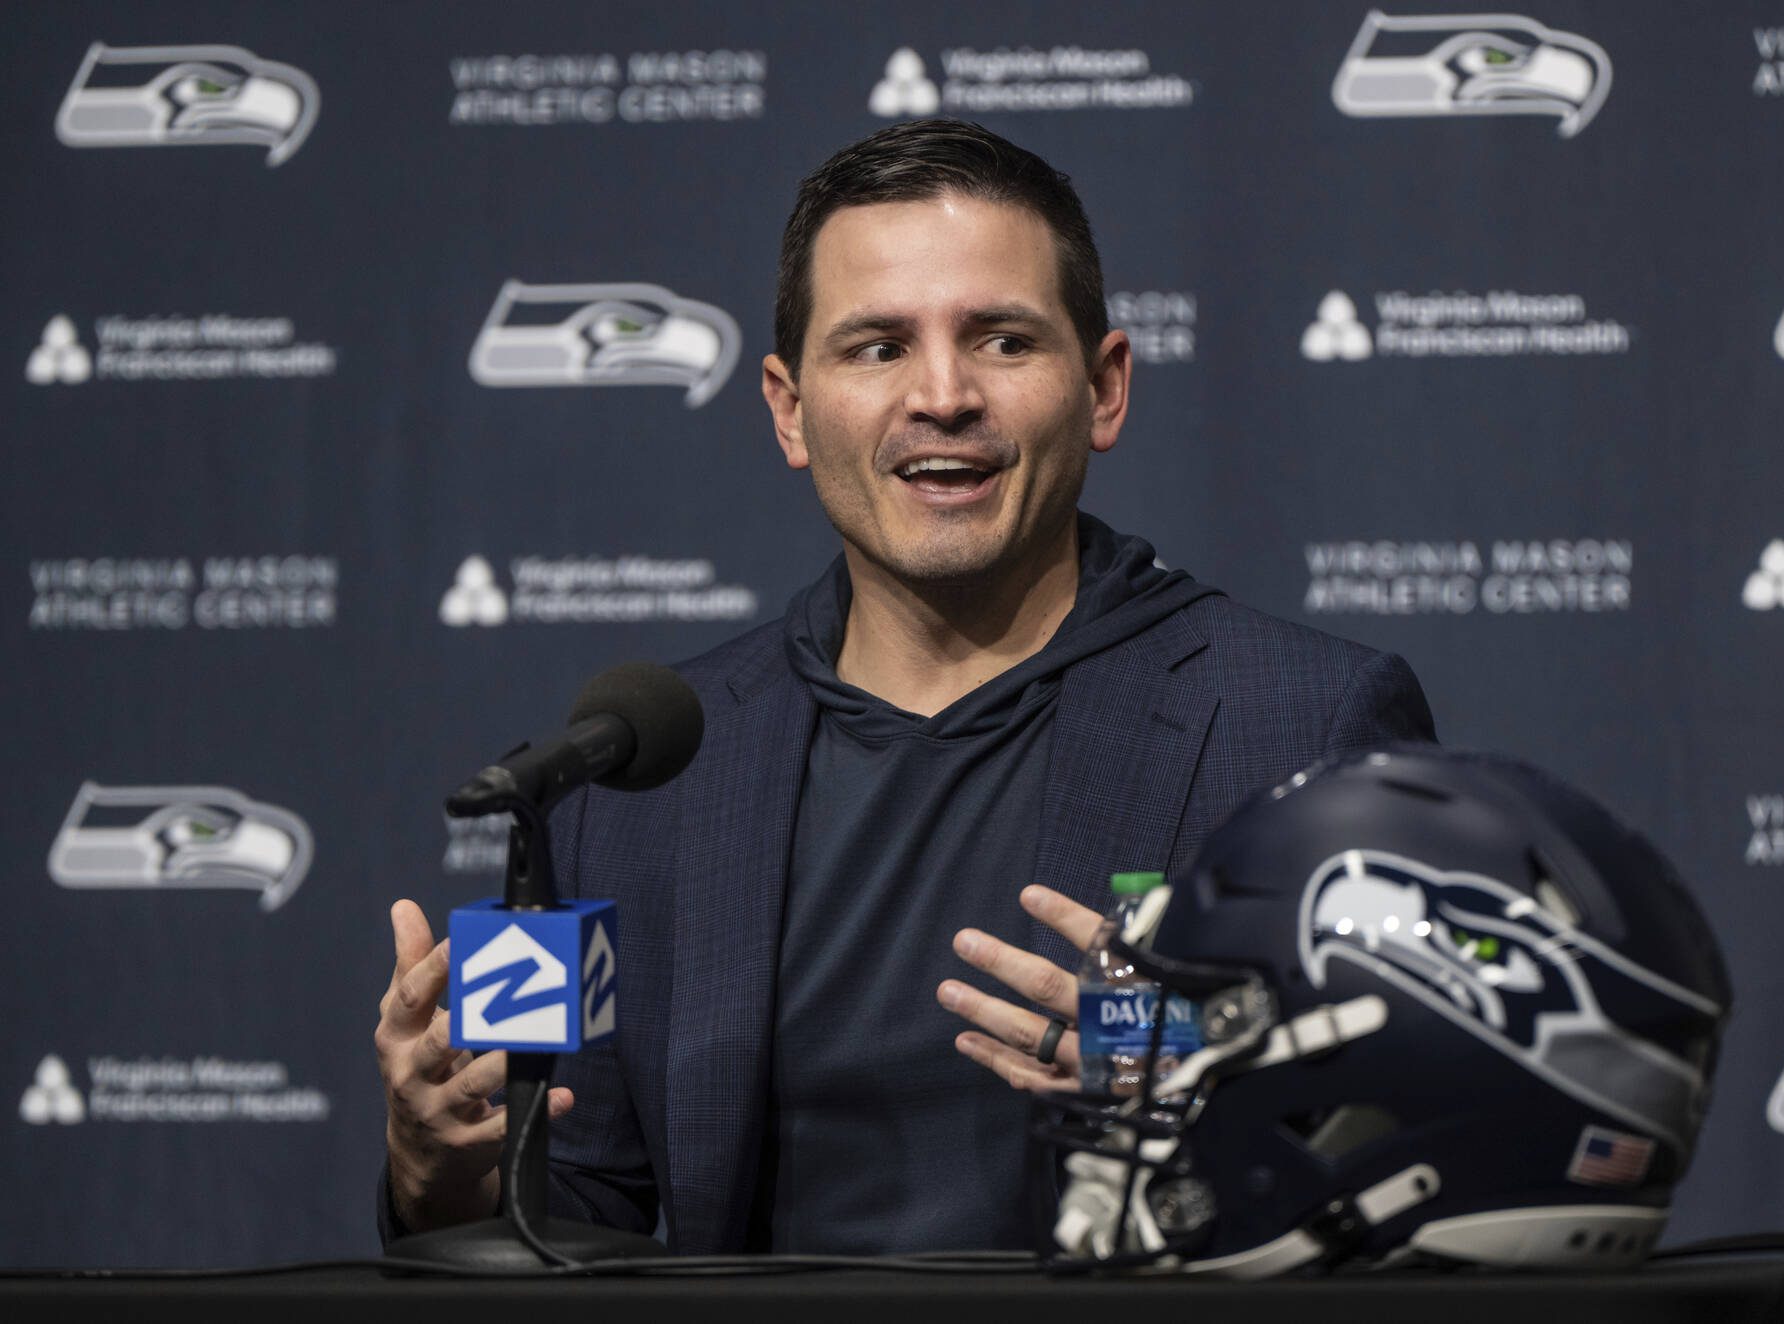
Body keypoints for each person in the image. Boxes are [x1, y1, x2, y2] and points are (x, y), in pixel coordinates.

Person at [374, 119, 1434, 1255]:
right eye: (876, 346)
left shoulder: (1308, 727)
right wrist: (437, 1167)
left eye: (1002, 341)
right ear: (787, 408)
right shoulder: (623, 782)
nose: (941, 394)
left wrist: (1218, 1110)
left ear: (1104, 386)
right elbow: (561, 1224)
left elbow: (1441, 1160)